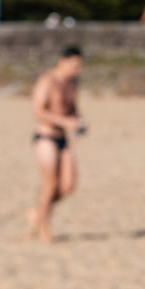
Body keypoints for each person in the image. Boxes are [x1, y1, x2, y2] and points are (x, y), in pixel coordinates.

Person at [28, 43, 85, 242]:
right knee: (50, 184)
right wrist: (64, 122)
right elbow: (37, 111)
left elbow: (72, 109)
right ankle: (44, 228)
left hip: (63, 137)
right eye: (74, 65)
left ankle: (37, 211)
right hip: (45, 137)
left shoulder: (72, 83)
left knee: (68, 184)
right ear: (63, 61)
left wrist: (77, 125)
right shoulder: (47, 80)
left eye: (79, 66)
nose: (77, 70)